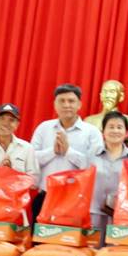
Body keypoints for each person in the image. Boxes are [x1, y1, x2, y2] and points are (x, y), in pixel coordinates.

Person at [30, 84, 103, 219]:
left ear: (79, 104)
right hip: (45, 196)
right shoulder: (43, 128)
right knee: (39, 233)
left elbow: (95, 166)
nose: (66, 105)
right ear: (55, 104)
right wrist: (53, 151)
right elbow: (31, 159)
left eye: (71, 101)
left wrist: (68, 152)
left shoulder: (92, 132)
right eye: (62, 101)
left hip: (75, 198)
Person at [88, 111, 128, 256]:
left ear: (126, 132)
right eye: (111, 127)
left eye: (119, 127)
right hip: (95, 215)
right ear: (103, 131)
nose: (115, 131)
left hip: (122, 219)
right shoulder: (91, 156)